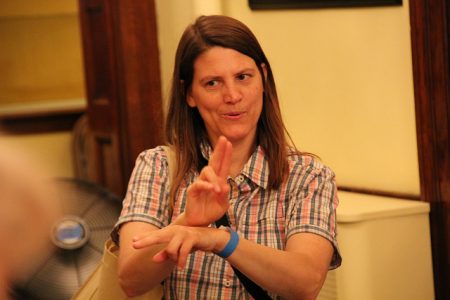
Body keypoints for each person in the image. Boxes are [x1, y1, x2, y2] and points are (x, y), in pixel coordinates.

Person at [113, 15, 341, 300]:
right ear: (189, 95)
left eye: (243, 77)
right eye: (212, 83)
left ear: (264, 79)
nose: (232, 95)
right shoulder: (157, 167)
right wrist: (187, 222)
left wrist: (222, 241)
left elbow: (306, 282)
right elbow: (130, 280)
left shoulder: (309, 176)